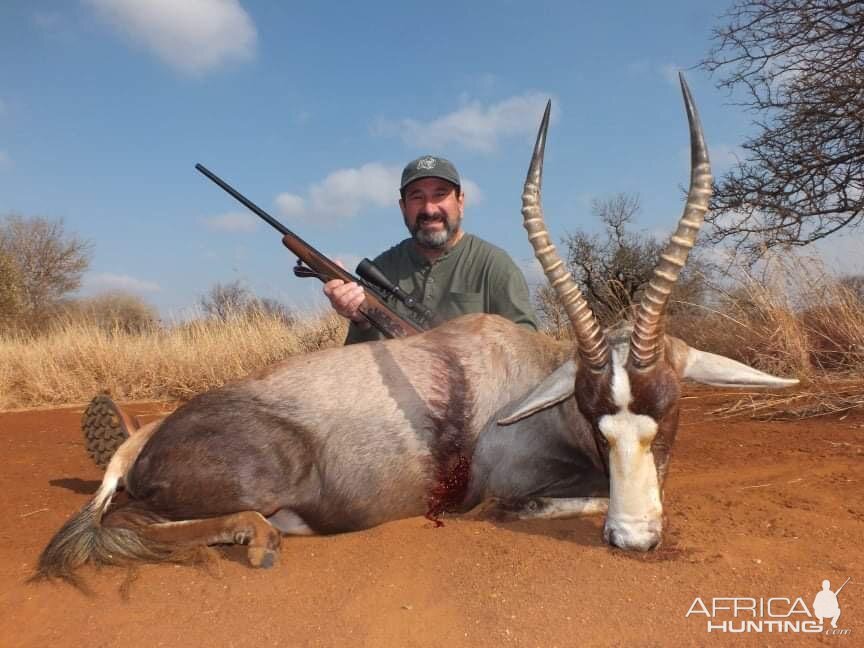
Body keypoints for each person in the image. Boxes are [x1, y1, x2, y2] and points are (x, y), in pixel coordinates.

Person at [323, 155, 538, 343]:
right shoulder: (382, 268)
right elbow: (359, 361)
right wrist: (360, 320)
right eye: (417, 197)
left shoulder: (495, 265)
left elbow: (528, 346)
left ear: (460, 202)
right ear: (403, 207)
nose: (429, 208)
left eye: (440, 195)